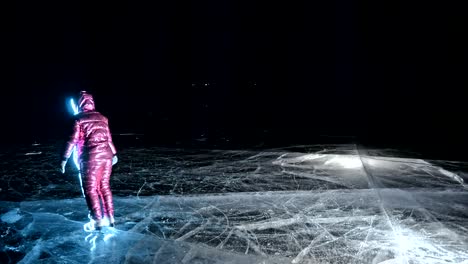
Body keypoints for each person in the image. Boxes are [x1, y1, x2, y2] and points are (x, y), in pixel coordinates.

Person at [60, 91, 118, 230]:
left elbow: (72, 140)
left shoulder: (79, 119)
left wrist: (64, 158)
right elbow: (109, 139)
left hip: (90, 159)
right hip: (106, 157)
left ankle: (97, 221)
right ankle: (110, 218)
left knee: (90, 189)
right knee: (104, 187)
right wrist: (114, 154)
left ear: (80, 103)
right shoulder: (103, 118)